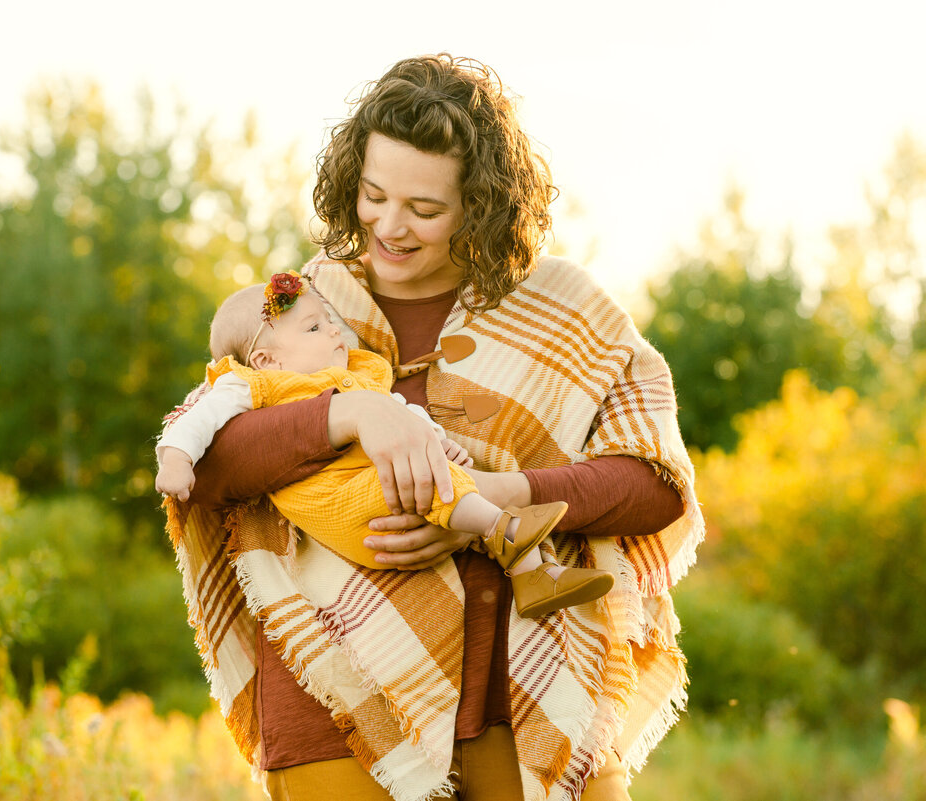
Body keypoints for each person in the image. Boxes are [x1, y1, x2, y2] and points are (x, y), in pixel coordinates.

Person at [160, 54, 702, 801]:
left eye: (424, 207)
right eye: (373, 195)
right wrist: (352, 411)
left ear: (481, 206)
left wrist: (488, 498)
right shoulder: (297, 305)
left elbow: (654, 483)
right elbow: (212, 464)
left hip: (529, 696)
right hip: (337, 702)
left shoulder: (565, 308)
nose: (387, 225)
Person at [155, 272, 615, 618]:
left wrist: (435, 441)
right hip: (340, 502)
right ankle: (506, 526)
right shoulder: (252, 386)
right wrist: (175, 461)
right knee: (419, 480)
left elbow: (401, 417)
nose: (334, 332)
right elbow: (196, 423)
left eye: (329, 322)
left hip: (373, 487)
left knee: (426, 472)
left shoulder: (356, 373)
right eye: (313, 329)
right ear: (265, 358)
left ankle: (537, 578)